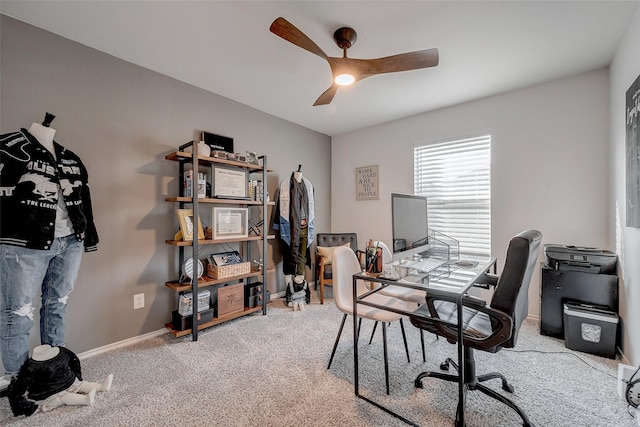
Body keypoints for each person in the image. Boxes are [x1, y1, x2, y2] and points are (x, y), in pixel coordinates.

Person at [0, 114, 99, 387]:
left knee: (57, 305)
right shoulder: (8, 147)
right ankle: (19, 382)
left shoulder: (70, 158)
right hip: (24, 244)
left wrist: (87, 237)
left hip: (70, 241)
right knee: (17, 313)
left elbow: (84, 201)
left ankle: (55, 372)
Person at [8, 344, 113, 416]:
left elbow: (74, 360)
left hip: (67, 381)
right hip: (48, 394)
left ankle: (101, 386)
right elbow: (17, 391)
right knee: (63, 398)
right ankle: (84, 400)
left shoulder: (60, 353)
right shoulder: (30, 368)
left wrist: (77, 376)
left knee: (81, 384)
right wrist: (29, 407)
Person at [273, 167, 315, 309]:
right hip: (290, 229)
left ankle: (299, 289)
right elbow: (280, 207)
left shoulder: (309, 186)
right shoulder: (285, 185)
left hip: (305, 229)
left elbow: (311, 208)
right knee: (289, 257)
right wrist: (278, 226)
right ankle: (290, 290)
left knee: (302, 257)